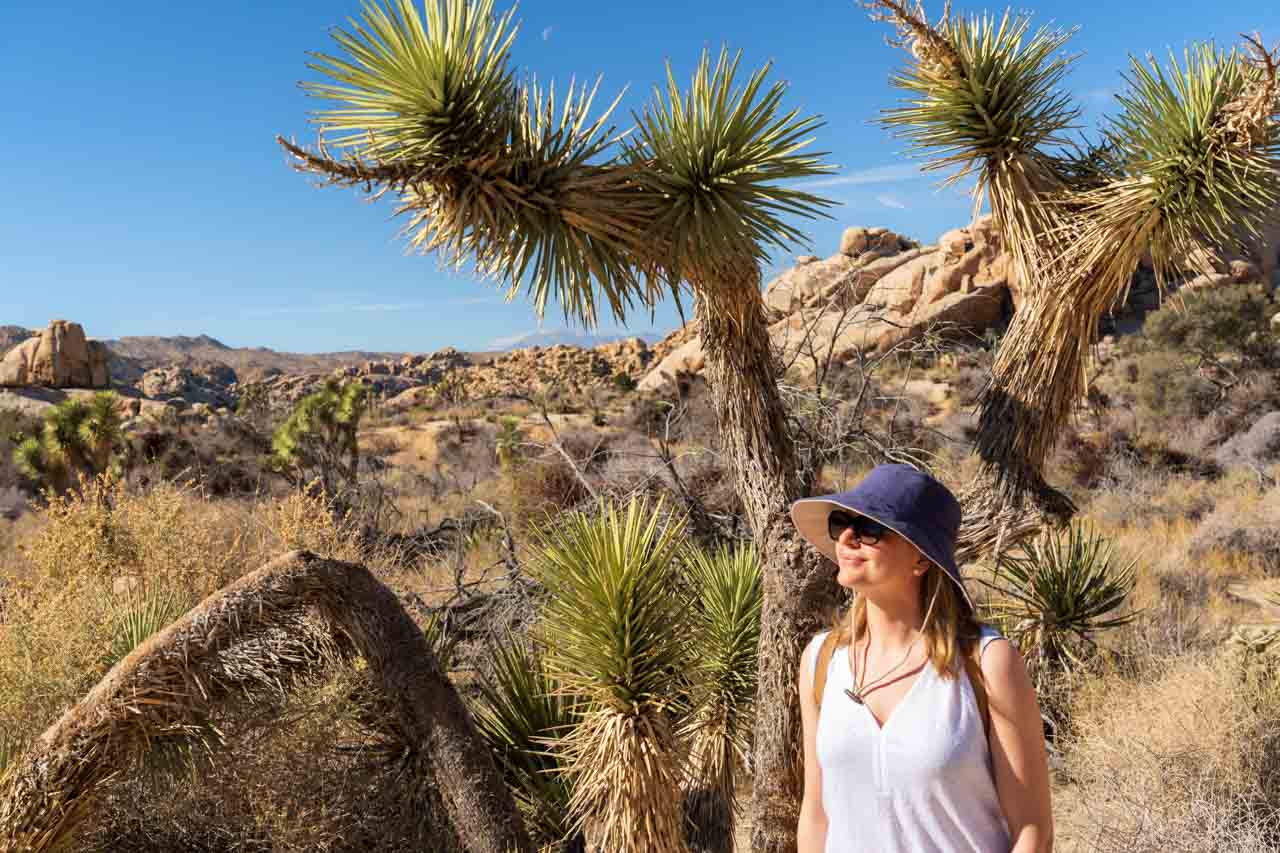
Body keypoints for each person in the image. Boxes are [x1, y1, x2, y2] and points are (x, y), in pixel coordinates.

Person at [792, 463, 1053, 853]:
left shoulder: (985, 662)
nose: (847, 538)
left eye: (870, 528)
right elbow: (816, 814)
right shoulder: (821, 661)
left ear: (921, 559)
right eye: (842, 522)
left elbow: (1032, 830)